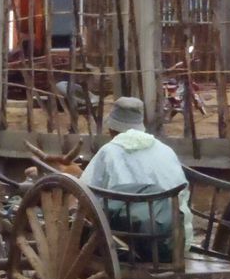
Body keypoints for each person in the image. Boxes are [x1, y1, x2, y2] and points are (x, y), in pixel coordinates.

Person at [80, 97, 193, 252]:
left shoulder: (109, 152)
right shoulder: (166, 150)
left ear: (112, 129)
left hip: (132, 245)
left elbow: (84, 194)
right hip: (175, 241)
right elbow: (183, 193)